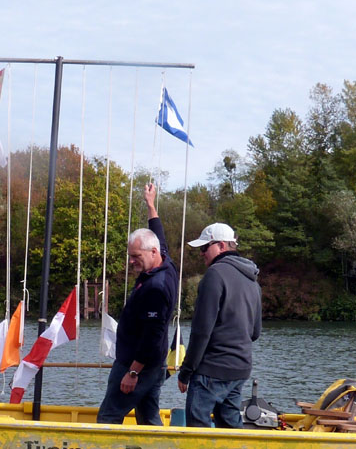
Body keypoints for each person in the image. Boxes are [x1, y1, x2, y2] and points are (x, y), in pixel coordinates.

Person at [97, 183, 178, 425]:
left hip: (138, 365)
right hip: (153, 364)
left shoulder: (157, 287)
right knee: (148, 417)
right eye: (130, 256)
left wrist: (132, 372)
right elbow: (158, 233)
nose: (131, 262)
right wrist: (150, 205)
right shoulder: (165, 261)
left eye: (136, 257)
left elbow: (152, 335)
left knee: (108, 417)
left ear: (152, 252)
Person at [177, 222, 262, 428]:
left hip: (211, 369)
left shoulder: (215, 274)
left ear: (221, 245)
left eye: (205, 247)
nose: (201, 253)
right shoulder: (252, 279)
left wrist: (186, 371)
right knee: (230, 427)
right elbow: (255, 332)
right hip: (240, 368)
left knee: (198, 427)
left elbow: (201, 332)